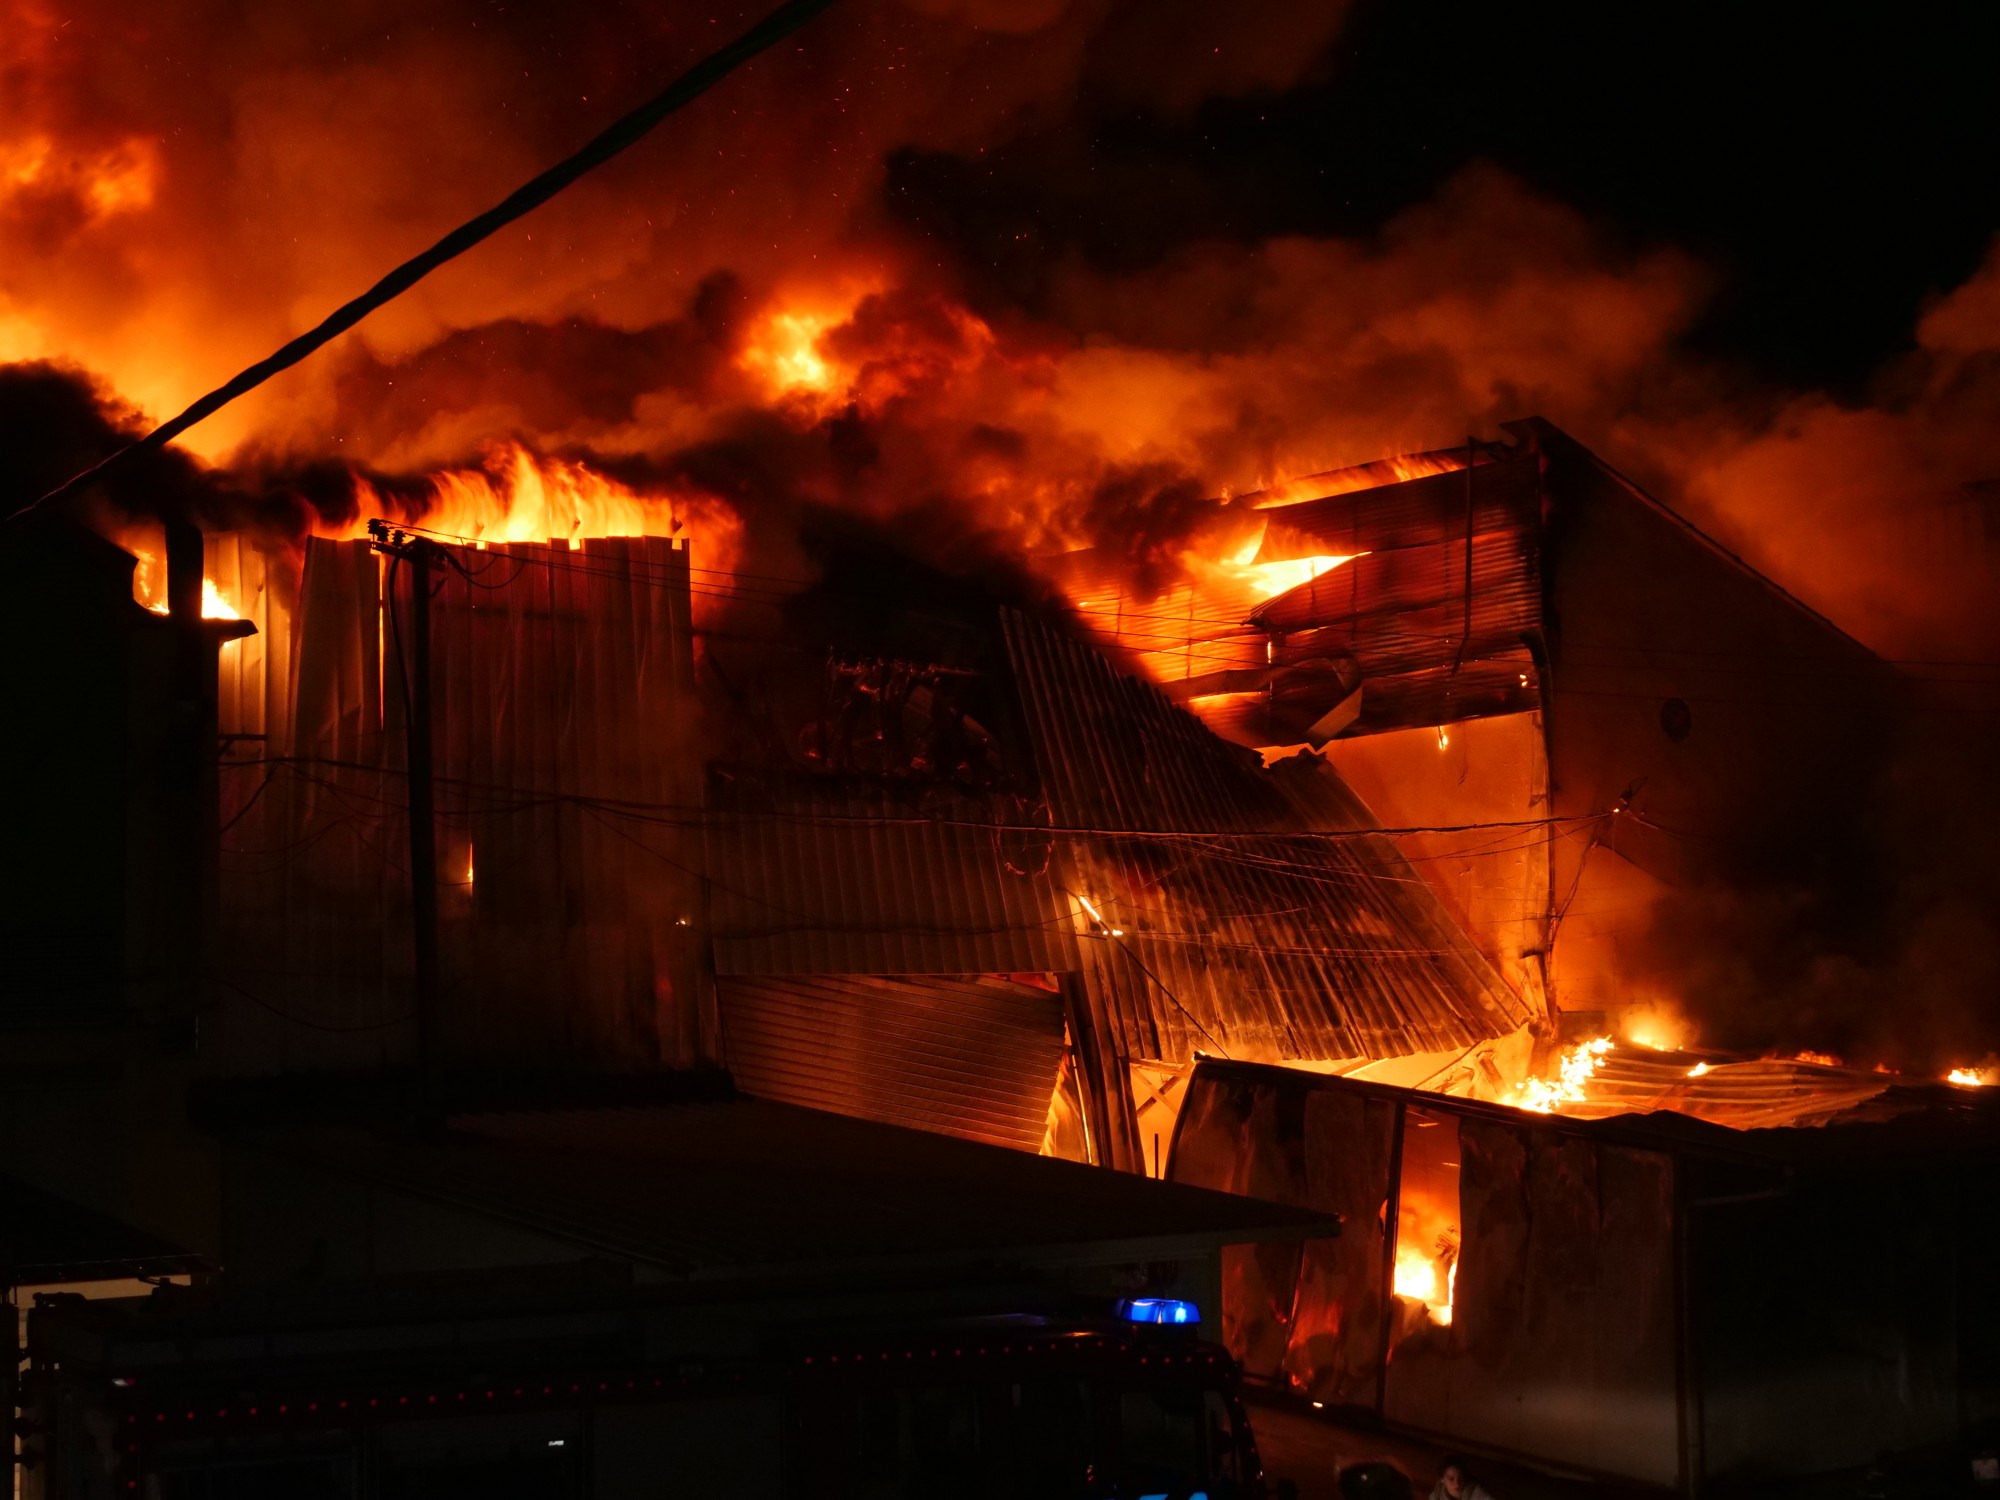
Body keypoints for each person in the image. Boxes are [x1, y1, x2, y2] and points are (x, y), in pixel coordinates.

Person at [1429, 1455, 1494, 1500]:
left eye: (1460, 1477)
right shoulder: (1438, 1493)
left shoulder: (1476, 1493)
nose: (1457, 1484)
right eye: (1451, 1479)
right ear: (1442, 1479)